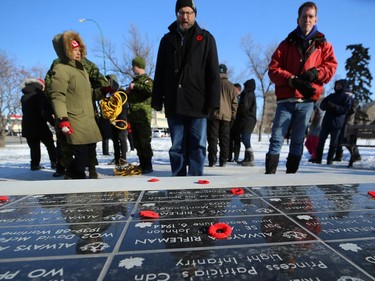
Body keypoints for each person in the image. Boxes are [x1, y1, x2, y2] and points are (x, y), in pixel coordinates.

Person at [266, 1, 337, 174]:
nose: (307, 19)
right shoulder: (286, 43)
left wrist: (315, 73)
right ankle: (269, 177)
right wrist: (291, 79)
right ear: (298, 19)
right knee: (276, 139)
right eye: (304, 16)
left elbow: (331, 67)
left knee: (298, 141)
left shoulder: (324, 45)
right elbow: (273, 70)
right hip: (286, 101)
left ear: (316, 19)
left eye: (311, 16)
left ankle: (291, 180)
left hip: (306, 101)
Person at [151, 0, 220, 176]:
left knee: (198, 145)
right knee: (177, 147)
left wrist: (213, 103)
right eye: (181, 12)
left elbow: (213, 74)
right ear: (176, 14)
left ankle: (196, 181)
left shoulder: (206, 39)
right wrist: (157, 99)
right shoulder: (167, 40)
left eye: (189, 12)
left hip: (198, 103)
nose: (185, 16)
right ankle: (178, 181)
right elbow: (160, 71)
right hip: (175, 103)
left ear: (195, 14)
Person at [47, 30, 111, 179]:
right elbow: (57, 95)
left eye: (79, 49)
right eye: (74, 50)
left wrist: (104, 90)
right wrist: (63, 119)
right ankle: (75, 180)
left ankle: (78, 179)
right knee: (80, 156)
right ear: (66, 51)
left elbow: (89, 95)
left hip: (88, 119)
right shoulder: (61, 69)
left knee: (89, 153)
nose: (78, 53)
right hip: (74, 119)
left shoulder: (81, 70)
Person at [125, 57, 154, 174]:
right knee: (137, 142)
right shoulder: (135, 81)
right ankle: (142, 163)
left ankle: (148, 165)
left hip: (143, 117)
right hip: (134, 117)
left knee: (145, 142)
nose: (132, 68)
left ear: (138, 66)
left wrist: (135, 87)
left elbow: (150, 90)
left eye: (133, 66)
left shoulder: (147, 80)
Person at [20, 78, 57, 171]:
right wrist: (53, 123)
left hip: (27, 125)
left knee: (34, 146)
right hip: (39, 124)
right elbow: (45, 111)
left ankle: (34, 164)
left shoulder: (24, 97)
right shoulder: (39, 94)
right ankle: (55, 162)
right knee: (49, 144)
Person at [314, 79, 352, 164]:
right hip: (327, 122)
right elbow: (322, 105)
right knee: (321, 141)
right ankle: (318, 159)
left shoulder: (346, 97)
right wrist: (326, 105)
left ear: (343, 86)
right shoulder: (331, 96)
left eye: (340, 85)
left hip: (337, 123)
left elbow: (345, 110)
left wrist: (334, 106)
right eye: (337, 85)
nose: (337, 86)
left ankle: (329, 160)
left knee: (333, 143)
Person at [207, 64, 238, 167]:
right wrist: (233, 115)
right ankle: (223, 160)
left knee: (213, 138)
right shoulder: (231, 86)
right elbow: (234, 103)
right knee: (225, 139)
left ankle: (212, 160)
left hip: (214, 115)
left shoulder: (212, 83)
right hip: (227, 116)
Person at [107, 74, 129, 166]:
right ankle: (117, 158)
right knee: (115, 140)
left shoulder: (121, 93)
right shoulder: (109, 94)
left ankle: (123, 158)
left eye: (109, 81)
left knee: (122, 138)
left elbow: (123, 106)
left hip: (121, 119)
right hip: (113, 120)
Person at [235, 79, 257, 166]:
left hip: (247, 119)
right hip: (249, 118)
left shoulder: (247, 94)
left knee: (245, 138)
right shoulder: (251, 94)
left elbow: (245, 107)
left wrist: (238, 110)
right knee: (245, 138)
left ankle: (250, 158)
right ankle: (247, 158)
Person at [228, 83, 242, 162]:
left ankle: (236, 157)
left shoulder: (242, 98)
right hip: (230, 120)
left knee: (237, 139)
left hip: (238, 121)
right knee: (230, 139)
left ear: (238, 89)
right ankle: (229, 156)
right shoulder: (230, 97)